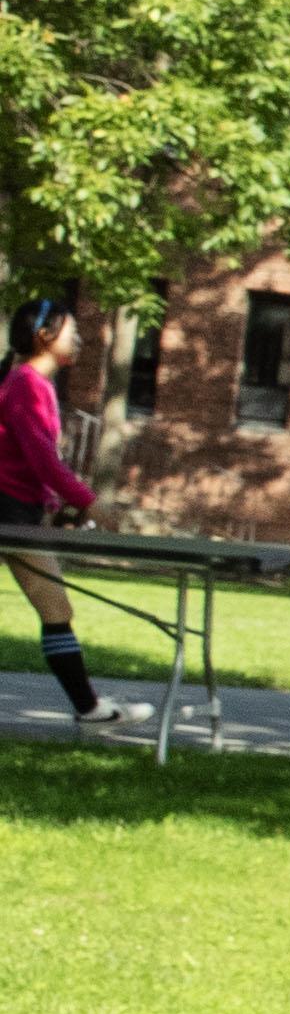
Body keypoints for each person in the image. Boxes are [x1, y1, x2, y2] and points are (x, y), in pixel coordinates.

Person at [3, 299, 103, 722]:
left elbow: (32, 461)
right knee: (56, 609)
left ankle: (90, 709)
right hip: (7, 510)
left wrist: (56, 503)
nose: (79, 338)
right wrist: (86, 500)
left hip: (19, 510)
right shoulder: (26, 383)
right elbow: (43, 458)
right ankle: (90, 709)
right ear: (45, 336)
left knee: (56, 609)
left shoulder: (31, 383)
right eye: (71, 331)